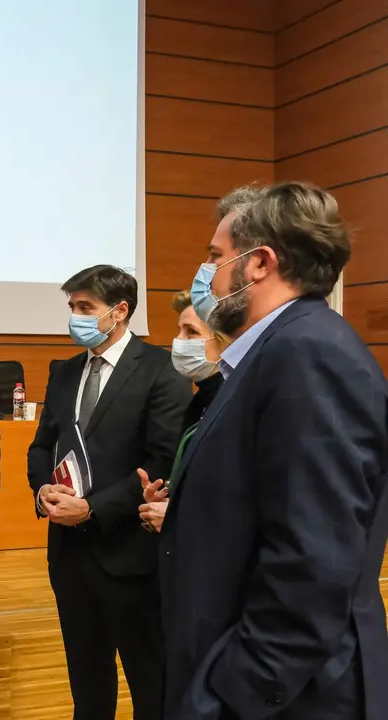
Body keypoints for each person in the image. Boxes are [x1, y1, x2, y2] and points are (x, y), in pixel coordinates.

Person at [160, 182, 388, 719]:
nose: (207, 274)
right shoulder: (277, 350)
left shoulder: (307, 354)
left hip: (289, 697)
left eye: (216, 257)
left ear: (258, 263)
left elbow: (314, 559)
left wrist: (236, 690)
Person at [27, 265, 189, 720]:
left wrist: (92, 508)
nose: (75, 316)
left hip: (130, 556)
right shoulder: (64, 371)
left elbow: (160, 460)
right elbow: (42, 444)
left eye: (85, 308)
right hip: (69, 556)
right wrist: (43, 490)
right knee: (87, 684)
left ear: (120, 311)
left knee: (148, 684)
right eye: (71, 307)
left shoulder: (161, 370)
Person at [137, 288, 230, 532]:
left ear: (225, 341)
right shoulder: (200, 400)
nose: (178, 341)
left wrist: (178, 516)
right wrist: (169, 502)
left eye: (191, 332)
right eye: (179, 331)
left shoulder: (234, 402)